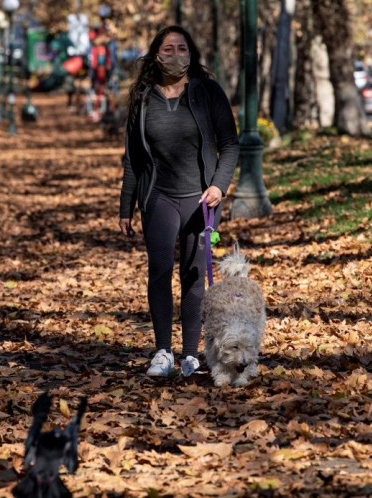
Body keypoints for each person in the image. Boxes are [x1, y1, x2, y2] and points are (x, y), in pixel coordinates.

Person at [118, 26, 239, 377]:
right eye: (168, 48)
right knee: (159, 270)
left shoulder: (207, 92)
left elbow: (229, 144)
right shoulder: (143, 97)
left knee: (194, 275)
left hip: (200, 199)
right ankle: (162, 352)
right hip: (158, 196)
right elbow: (133, 158)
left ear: (191, 53)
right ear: (156, 53)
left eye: (182, 48)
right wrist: (126, 206)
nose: (175, 54)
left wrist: (219, 186)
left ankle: (189, 355)